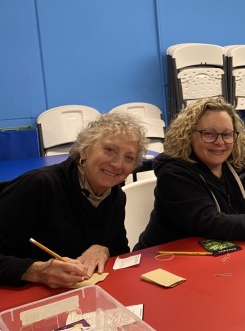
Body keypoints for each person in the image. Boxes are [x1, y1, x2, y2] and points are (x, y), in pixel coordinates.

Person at [135, 97, 245, 250]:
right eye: (209, 134)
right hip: (166, 257)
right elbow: (209, 222)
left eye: (227, 134)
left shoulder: (244, 159)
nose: (220, 142)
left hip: (223, 252)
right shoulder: (173, 171)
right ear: (188, 134)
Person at [0, 112, 147, 287]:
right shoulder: (40, 186)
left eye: (129, 158)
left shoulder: (115, 196)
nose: (117, 164)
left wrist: (104, 249)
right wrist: (37, 271)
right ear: (85, 150)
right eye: (109, 150)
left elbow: (120, 250)